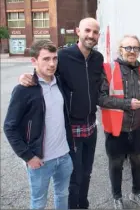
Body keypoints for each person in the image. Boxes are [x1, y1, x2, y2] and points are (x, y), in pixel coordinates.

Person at [19, 18, 104, 209]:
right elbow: (46, 73)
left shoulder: (98, 59)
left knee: (87, 173)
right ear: (78, 31)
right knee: (74, 176)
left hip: (91, 125)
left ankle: (83, 204)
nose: (91, 35)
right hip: (71, 127)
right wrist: (27, 75)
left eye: (95, 32)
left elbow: (100, 86)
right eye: (87, 31)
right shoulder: (63, 56)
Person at [4, 40, 75, 209]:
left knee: (62, 194)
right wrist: (28, 156)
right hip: (40, 161)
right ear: (34, 61)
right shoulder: (24, 90)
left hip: (64, 156)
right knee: (38, 202)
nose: (51, 64)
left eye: (54, 58)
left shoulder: (60, 83)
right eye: (46, 59)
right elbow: (9, 127)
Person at [98, 35, 140, 209]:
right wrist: (127, 104)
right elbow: (101, 98)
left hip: (138, 129)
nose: (132, 51)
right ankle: (117, 197)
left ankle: (136, 193)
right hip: (116, 130)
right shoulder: (108, 69)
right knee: (116, 165)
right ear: (120, 49)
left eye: (135, 48)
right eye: (128, 48)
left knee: (139, 164)